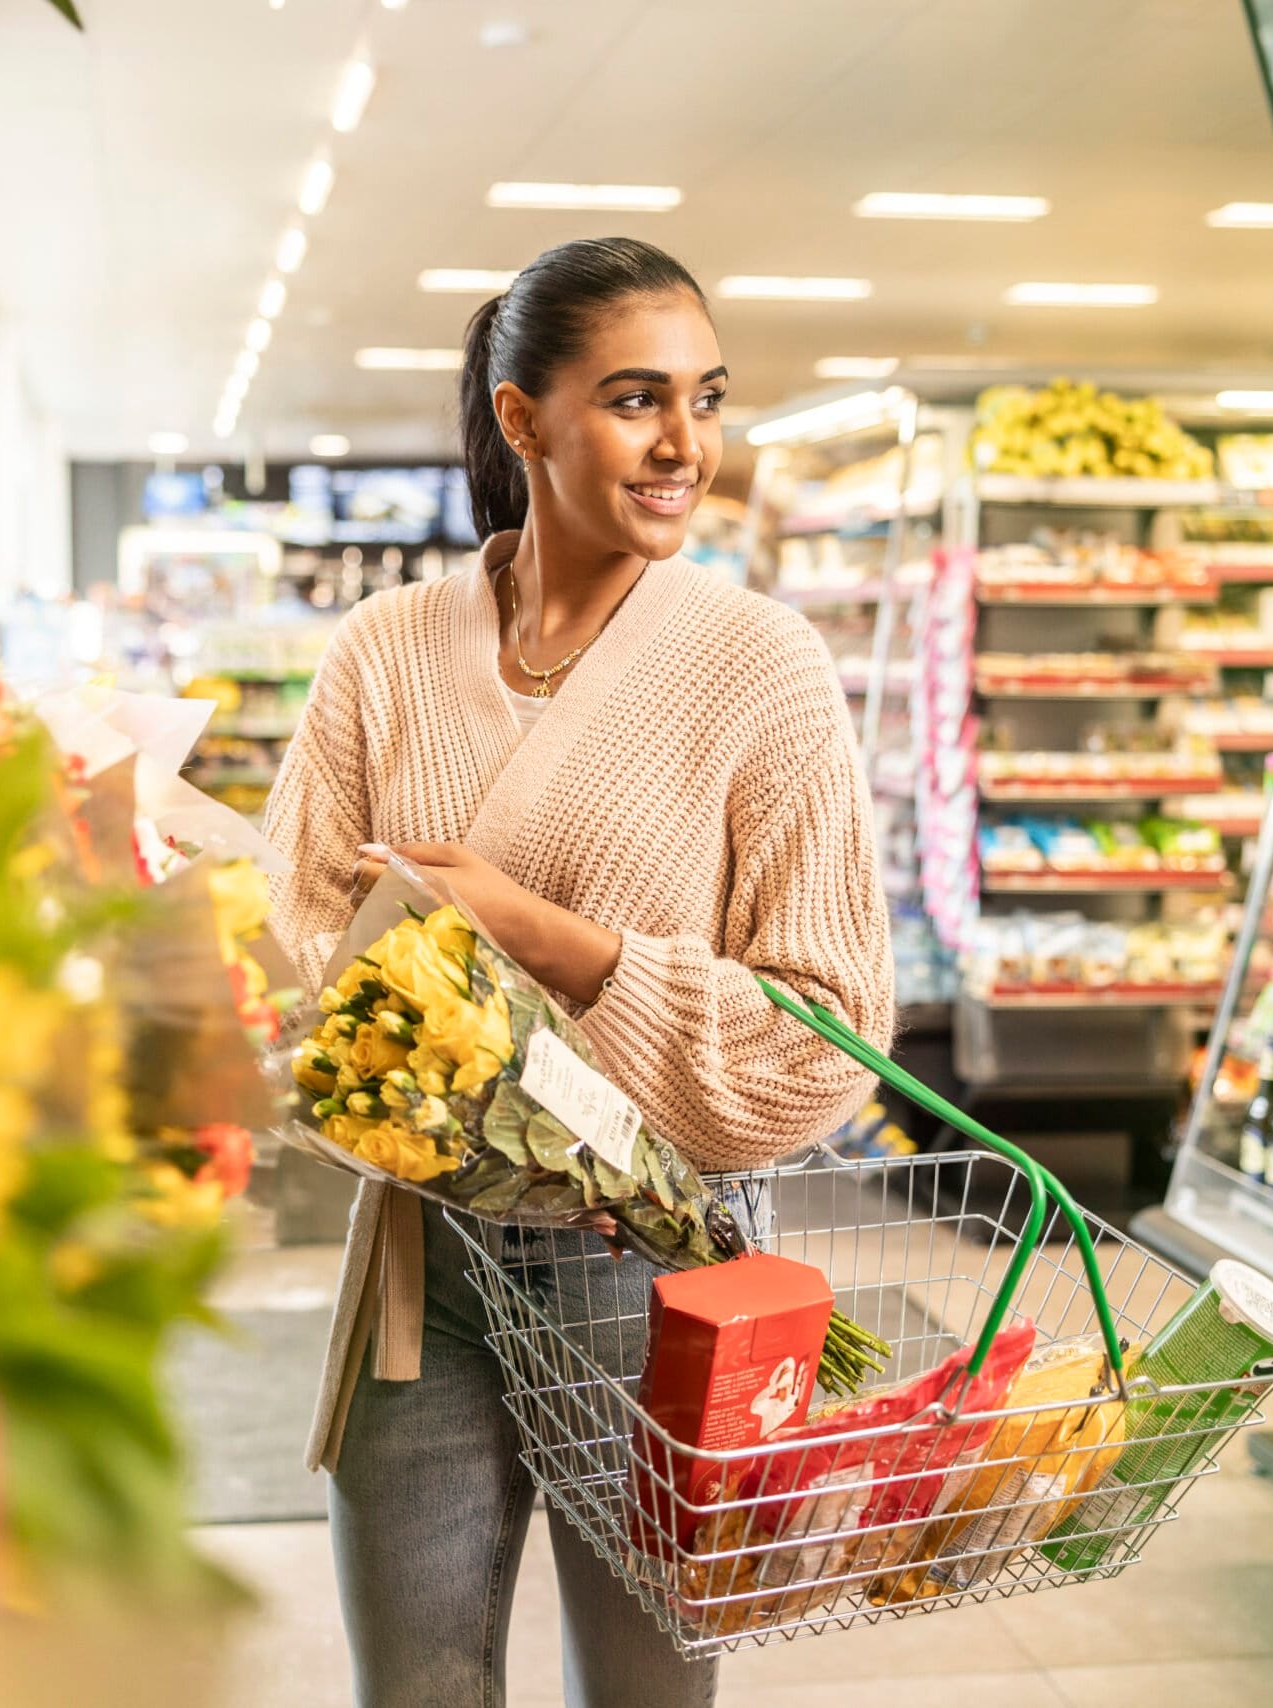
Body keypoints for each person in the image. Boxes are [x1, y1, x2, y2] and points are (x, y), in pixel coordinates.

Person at [263, 235, 896, 1708]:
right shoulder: (385, 653)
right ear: (521, 418)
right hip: (419, 1268)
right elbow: (295, 941)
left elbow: (829, 1039)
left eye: (708, 398)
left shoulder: (762, 666)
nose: (687, 445)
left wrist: (555, 945)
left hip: (654, 1272)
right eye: (634, 399)